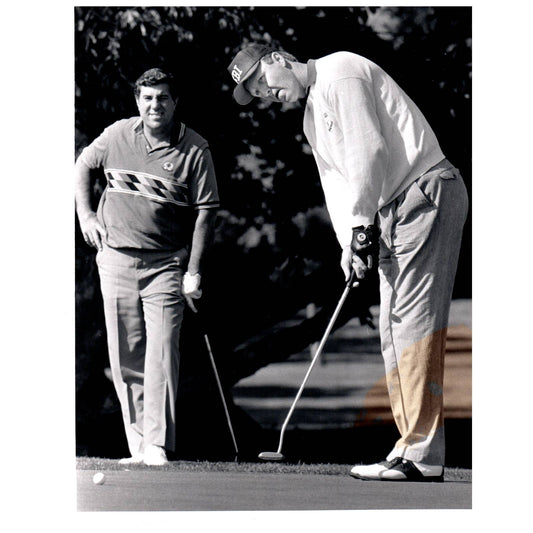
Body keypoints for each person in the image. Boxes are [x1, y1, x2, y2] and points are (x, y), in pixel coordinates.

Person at [227, 44, 468, 481]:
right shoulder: (310, 115)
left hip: (425, 192)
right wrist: (348, 244)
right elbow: (337, 183)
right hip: (393, 210)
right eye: (257, 93)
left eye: (262, 81)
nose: (266, 93)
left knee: (412, 326)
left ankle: (421, 455)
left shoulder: (340, 70)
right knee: (392, 329)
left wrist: (362, 228)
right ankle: (412, 448)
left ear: (279, 58)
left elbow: (369, 152)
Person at [75, 68, 220, 466]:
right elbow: (83, 167)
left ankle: (157, 443)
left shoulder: (195, 149)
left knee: (162, 352)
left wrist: (194, 272)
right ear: (138, 101)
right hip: (116, 257)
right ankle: (138, 444)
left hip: (167, 264)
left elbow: (205, 213)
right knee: (126, 353)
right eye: (148, 98)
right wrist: (86, 216)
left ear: (175, 103)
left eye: (163, 98)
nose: (155, 105)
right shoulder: (117, 134)